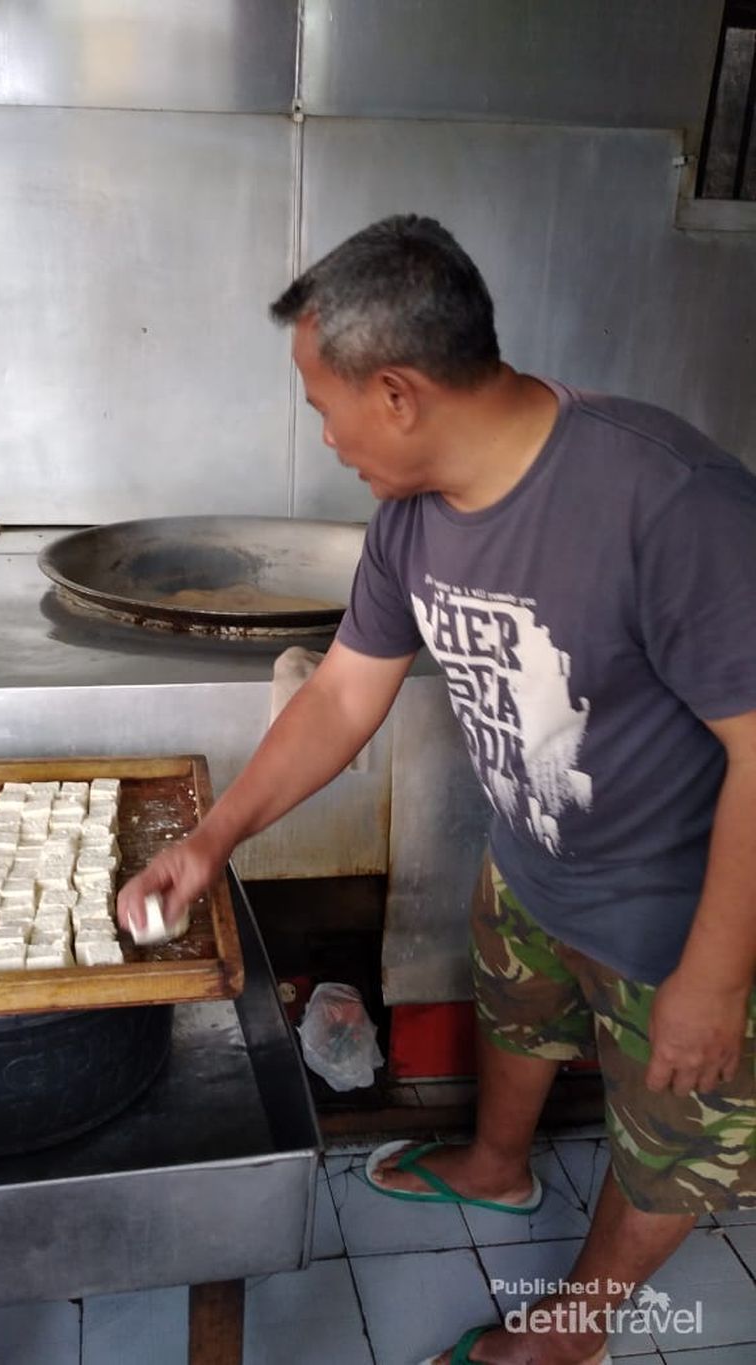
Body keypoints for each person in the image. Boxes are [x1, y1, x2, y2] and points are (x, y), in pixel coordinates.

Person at [117, 215, 756, 1365]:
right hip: (531, 859)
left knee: (680, 1132)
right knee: (517, 1011)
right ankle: (493, 1166)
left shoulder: (666, 500)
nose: (325, 436)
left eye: (326, 406)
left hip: (678, 910)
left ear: (399, 392)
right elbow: (343, 697)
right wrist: (212, 840)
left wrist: (715, 974)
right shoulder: (410, 518)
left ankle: (576, 1330)